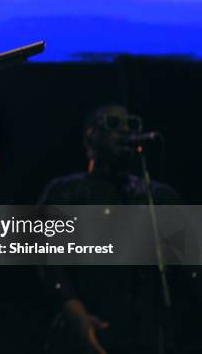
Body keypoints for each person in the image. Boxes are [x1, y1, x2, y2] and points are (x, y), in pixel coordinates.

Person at [38, 104, 189, 354]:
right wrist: (74, 311)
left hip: (147, 337)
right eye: (113, 124)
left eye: (131, 124)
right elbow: (47, 259)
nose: (125, 131)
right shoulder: (65, 192)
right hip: (90, 331)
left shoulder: (158, 195)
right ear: (90, 135)